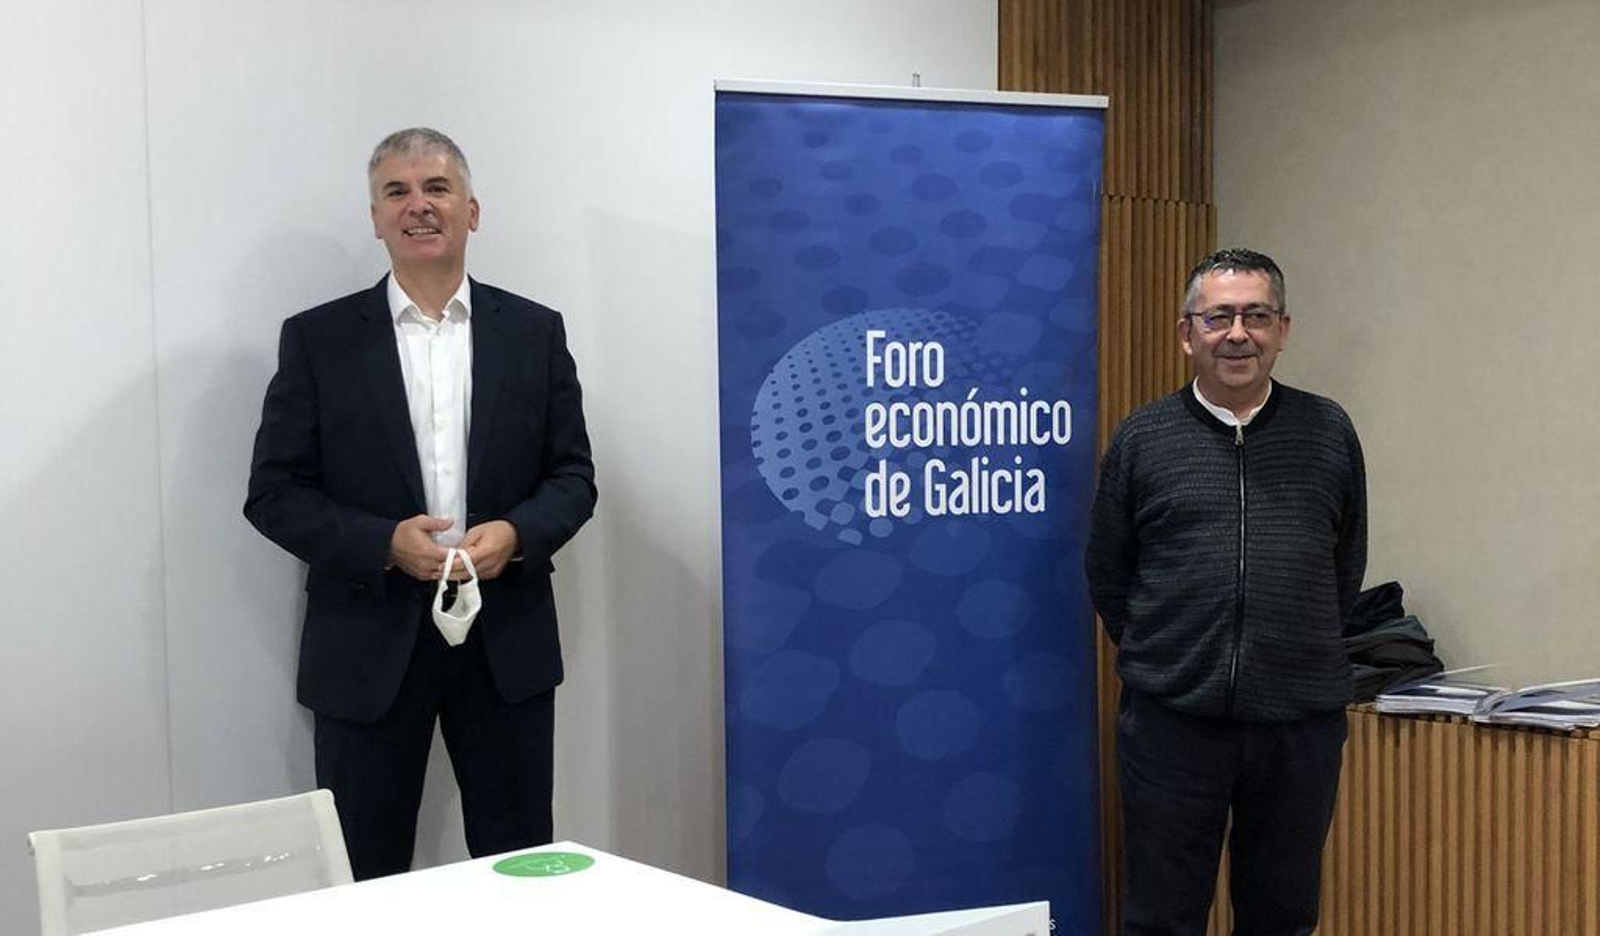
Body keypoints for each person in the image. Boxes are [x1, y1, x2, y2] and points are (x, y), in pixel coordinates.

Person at [245, 128, 596, 880]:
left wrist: (517, 533)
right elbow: (273, 494)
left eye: (436, 188)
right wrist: (384, 544)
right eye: (396, 192)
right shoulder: (319, 340)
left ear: (473, 210)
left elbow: (573, 477)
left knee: (522, 866)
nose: (418, 206)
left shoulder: (535, 333)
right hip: (366, 643)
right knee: (362, 875)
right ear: (374, 218)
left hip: (507, 641)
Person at [1084, 248, 1366, 935]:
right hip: (1172, 723)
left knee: (1282, 916)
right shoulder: (1144, 438)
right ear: (1187, 334)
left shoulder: (1326, 431)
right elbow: (1109, 574)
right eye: (1219, 317)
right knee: (1161, 917)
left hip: (1297, 723)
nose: (1237, 333)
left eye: (1256, 316)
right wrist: (1176, 655)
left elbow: (1344, 568)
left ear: (1283, 329)